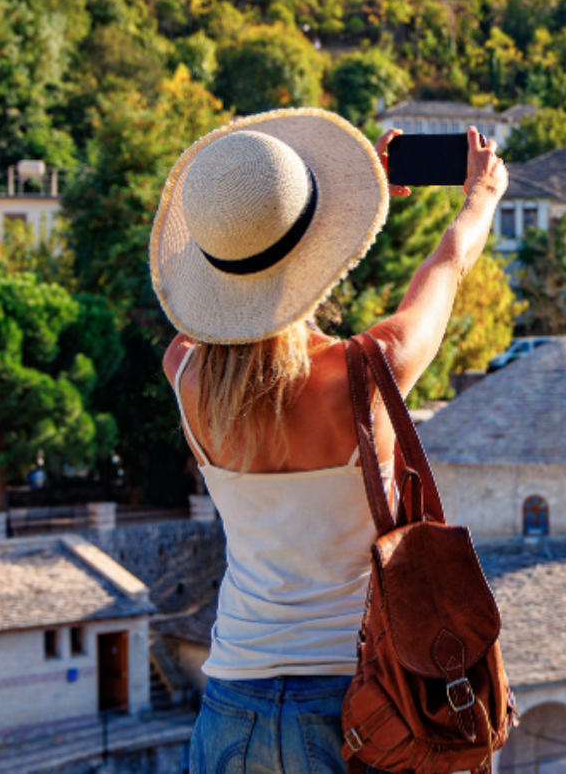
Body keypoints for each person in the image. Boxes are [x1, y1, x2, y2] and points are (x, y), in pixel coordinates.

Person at [149, 108, 505, 774]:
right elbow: (448, 266)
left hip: (230, 704)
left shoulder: (185, 375)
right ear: (320, 251)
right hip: (354, 710)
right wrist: (478, 196)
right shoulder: (370, 371)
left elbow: (197, 313)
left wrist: (310, 218)